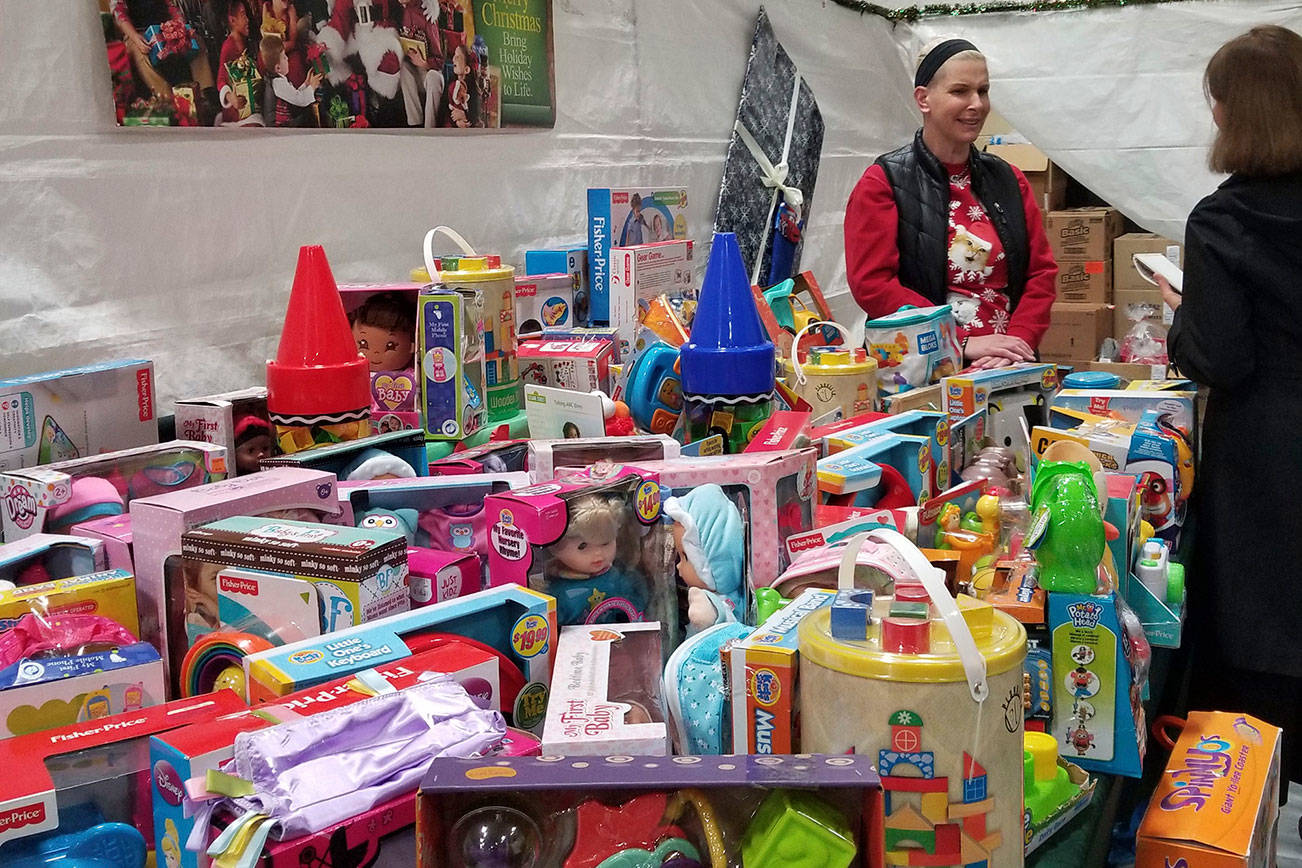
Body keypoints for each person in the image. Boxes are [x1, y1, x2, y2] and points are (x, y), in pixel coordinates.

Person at [1158, 24, 1302, 789]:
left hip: (1267, 455)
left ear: (1237, 114)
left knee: (1262, 654)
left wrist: (1186, 313)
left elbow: (1220, 358)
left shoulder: (1225, 221)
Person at [845, 38, 1057, 369]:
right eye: (960, 92)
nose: (977, 104)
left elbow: (1040, 273)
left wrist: (1017, 345)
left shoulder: (1009, 180)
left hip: (1007, 364)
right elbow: (873, 285)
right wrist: (959, 340)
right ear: (923, 99)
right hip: (921, 367)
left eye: (983, 91)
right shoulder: (883, 182)